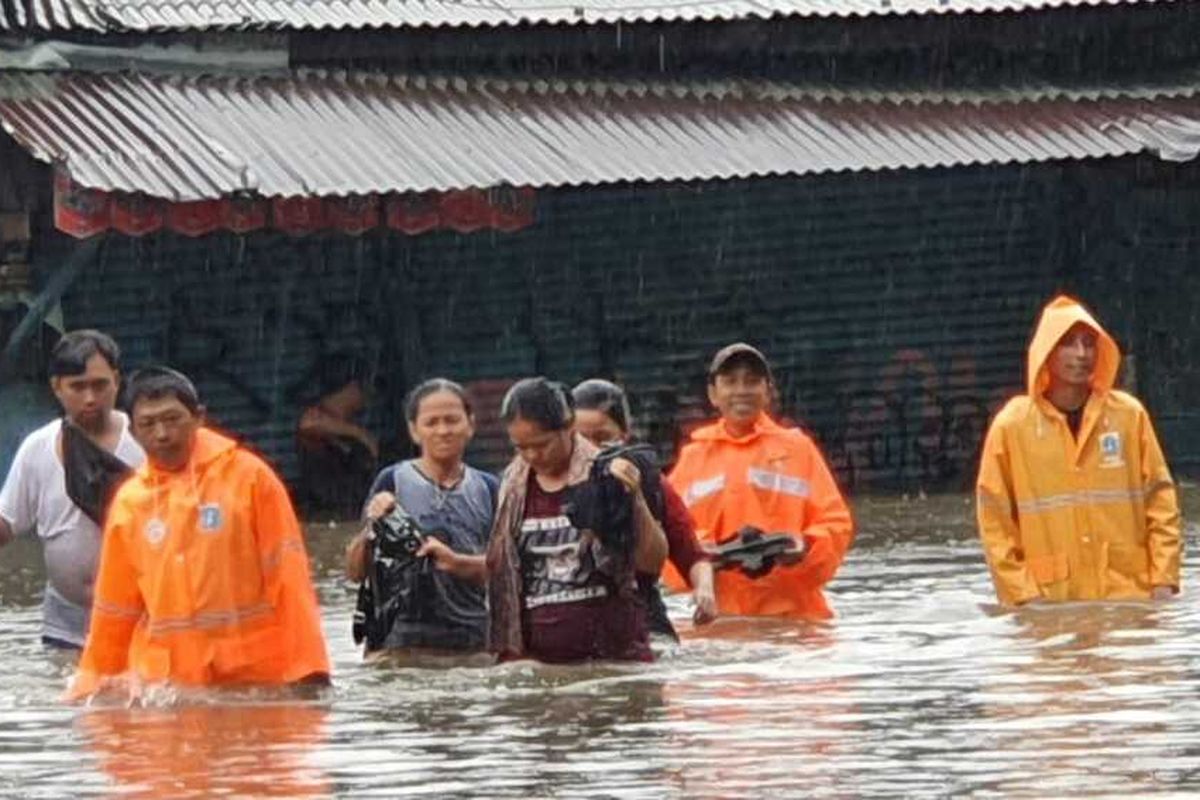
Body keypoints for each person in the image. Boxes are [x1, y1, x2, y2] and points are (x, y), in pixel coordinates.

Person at [68, 366, 330, 699]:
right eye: (148, 424)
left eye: (172, 419)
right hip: (170, 686)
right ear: (132, 432)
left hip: (254, 680)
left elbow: (289, 579)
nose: (162, 434)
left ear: (199, 417)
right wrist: (92, 684)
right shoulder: (130, 503)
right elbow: (114, 610)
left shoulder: (250, 479)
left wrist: (311, 669)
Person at [976, 295, 1181, 605]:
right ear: (1047, 352)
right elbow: (995, 521)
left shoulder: (1129, 416)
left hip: (1128, 603)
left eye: (1088, 343)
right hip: (1051, 607)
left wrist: (1163, 582)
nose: (1081, 354)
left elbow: (1161, 501)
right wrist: (1024, 597)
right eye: (1068, 343)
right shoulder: (1012, 427)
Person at [666, 343, 854, 619]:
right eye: (730, 382)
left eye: (752, 381)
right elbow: (668, 534)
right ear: (713, 394)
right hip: (720, 622)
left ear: (768, 392)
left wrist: (806, 547)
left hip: (794, 620)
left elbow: (836, 523)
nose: (741, 390)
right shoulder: (693, 457)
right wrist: (701, 555)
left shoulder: (798, 449)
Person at [486, 378, 668, 663]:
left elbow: (652, 563)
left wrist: (636, 500)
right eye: (522, 447)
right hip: (541, 667)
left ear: (569, 425)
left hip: (614, 661)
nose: (533, 456)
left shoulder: (611, 473)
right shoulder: (511, 487)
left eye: (542, 444)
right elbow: (505, 574)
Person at [0, 330, 144, 650]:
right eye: (77, 387)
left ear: (117, 381)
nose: (90, 398)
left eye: (99, 385)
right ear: (56, 387)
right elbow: (8, 523)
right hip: (65, 624)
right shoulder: (38, 447)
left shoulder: (145, 440)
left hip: (139, 619)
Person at [345, 378, 497, 654]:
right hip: (398, 640)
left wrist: (456, 562)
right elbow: (355, 572)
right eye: (432, 422)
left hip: (472, 639)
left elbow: (507, 570)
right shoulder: (392, 481)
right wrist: (373, 528)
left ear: (470, 425)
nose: (443, 431)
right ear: (414, 431)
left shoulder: (488, 488)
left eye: (452, 420)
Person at [572, 378, 717, 638]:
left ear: (624, 435)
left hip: (643, 624)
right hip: (575, 630)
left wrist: (704, 590)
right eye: (581, 439)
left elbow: (692, 554)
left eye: (603, 438)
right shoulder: (543, 486)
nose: (592, 450)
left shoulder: (651, 484)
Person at [296, 356, 378, 519]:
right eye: (366, 385)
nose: (371, 393)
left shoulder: (341, 423)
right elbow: (307, 424)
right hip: (327, 515)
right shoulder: (317, 418)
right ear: (352, 387)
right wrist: (359, 434)